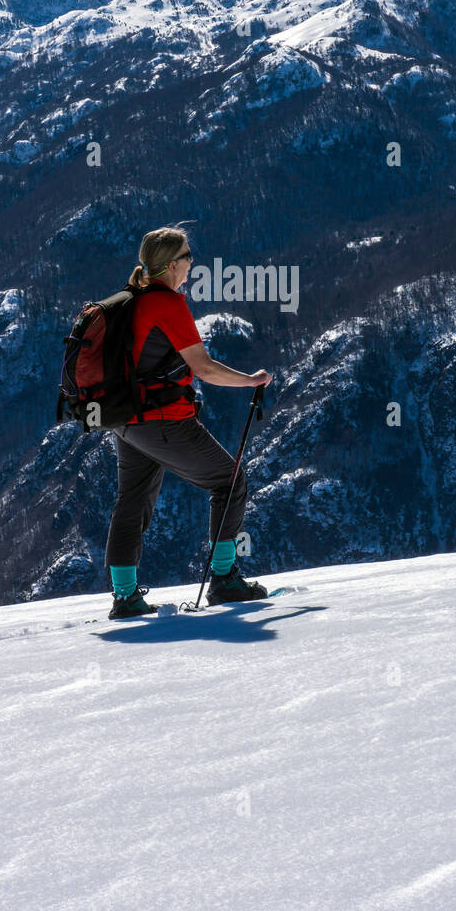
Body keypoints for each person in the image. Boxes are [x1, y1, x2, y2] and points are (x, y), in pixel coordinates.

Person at [104, 225, 273, 619]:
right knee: (230, 481)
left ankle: (125, 597)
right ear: (170, 265)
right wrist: (251, 380)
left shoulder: (131, 300)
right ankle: (224, 579)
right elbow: (204, 368)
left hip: (125, 419)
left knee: (130, 502)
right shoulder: (167, 304)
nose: (192, 261)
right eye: (187, 255)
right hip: (164, 420)